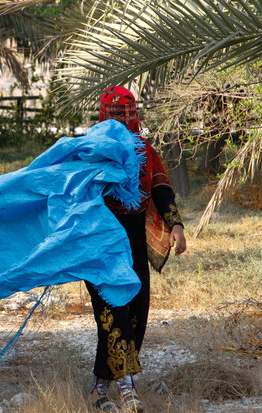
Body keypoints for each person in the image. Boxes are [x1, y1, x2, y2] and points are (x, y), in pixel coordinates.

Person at [86, 86, 187, 412]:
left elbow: (160, 189)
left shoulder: (146, 150)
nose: (125, 118)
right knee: (113, 312)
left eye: (129, 111)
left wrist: (176, 225)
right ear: (105, 114)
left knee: (137, 311)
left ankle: (99, 386)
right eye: (117, 112)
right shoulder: (93, 148)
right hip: (100, 246)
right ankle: (128, 389)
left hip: (133, 245)